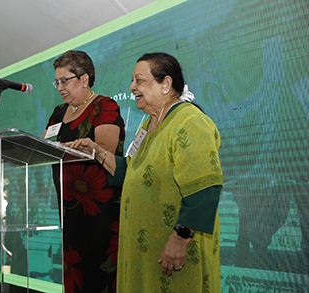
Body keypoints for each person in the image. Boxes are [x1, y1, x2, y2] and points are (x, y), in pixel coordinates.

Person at [65, 52, 223, 292]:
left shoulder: (190, 122)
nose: (131, 87)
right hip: (143, 251)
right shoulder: (147, 124)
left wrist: (180, 238)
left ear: (165, 84)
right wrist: (96, 151)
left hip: (172, 250)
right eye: (132, 80)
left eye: (139, 80)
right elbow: (132, 170)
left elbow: (204, 186)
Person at [42, 50, 125, 292]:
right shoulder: (59, 112)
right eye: (57, 82)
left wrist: (68, 148)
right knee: (75, 275)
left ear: (85, 78)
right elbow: (44, 147)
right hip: (69, 210)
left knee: (98, 275)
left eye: (65, 80)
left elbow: (106, 150)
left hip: (100, 209)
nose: (60, 87)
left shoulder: (105, 106)